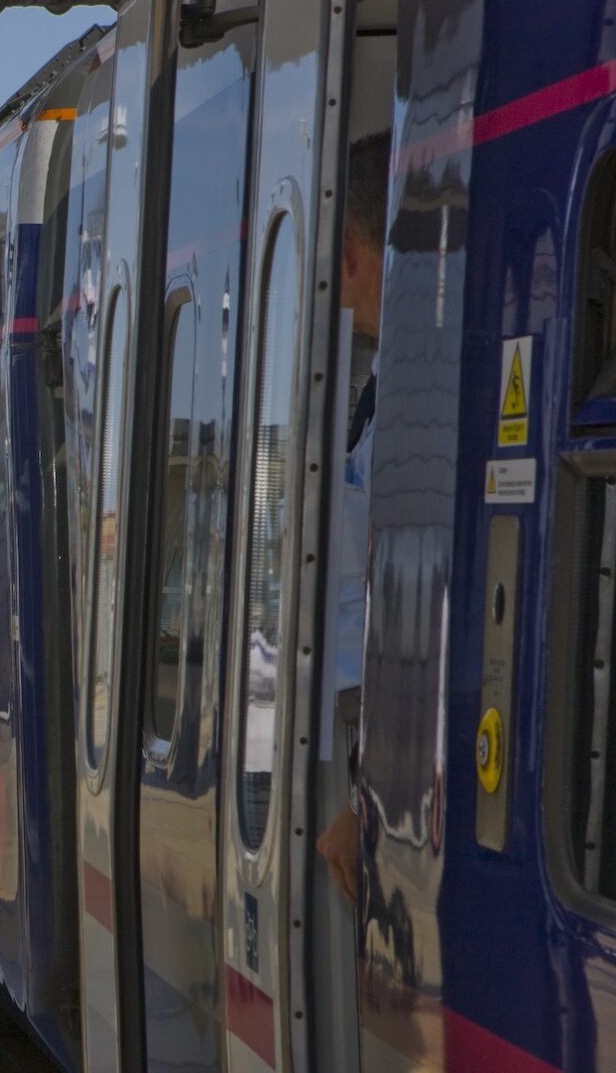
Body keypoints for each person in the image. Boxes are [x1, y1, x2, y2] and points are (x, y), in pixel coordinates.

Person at [316, 130, 389, 903]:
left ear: (348, 247)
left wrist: (365, 802)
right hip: (358, 745)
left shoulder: (419, 397)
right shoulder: (388, 385)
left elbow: (424, 618)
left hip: (380, 777)